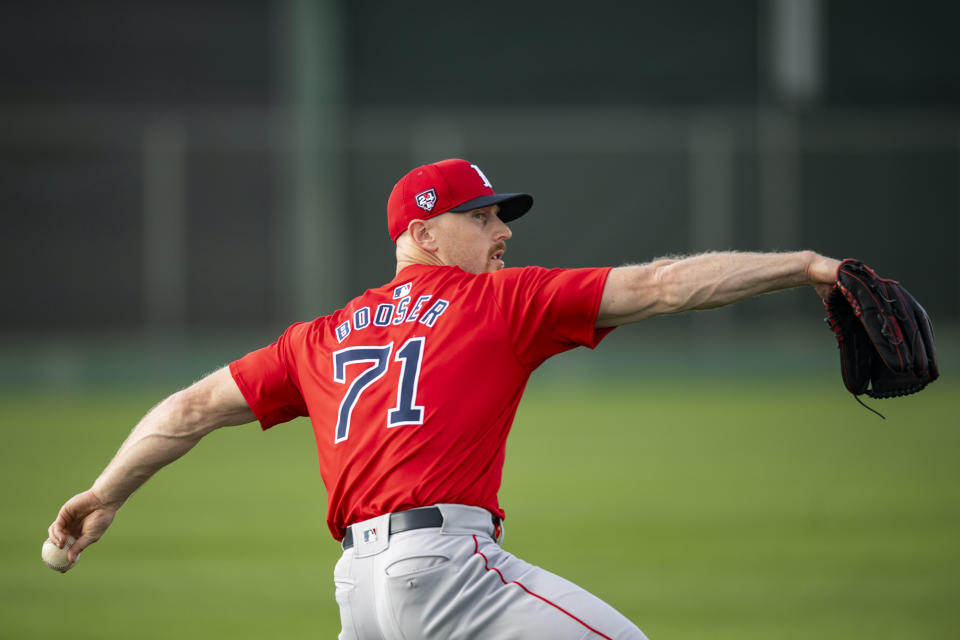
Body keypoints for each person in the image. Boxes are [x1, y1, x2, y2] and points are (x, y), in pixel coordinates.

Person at [48, 158, 842, 639]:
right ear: (423, 235)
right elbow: (667, 286)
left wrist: (104, 493)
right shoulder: (500, 304)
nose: (503, 231)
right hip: (446, 571)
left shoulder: (318, 337)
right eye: (483, 216)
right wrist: (804, 264)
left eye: (501, 216)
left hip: (361, 595)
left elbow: (186, 410)